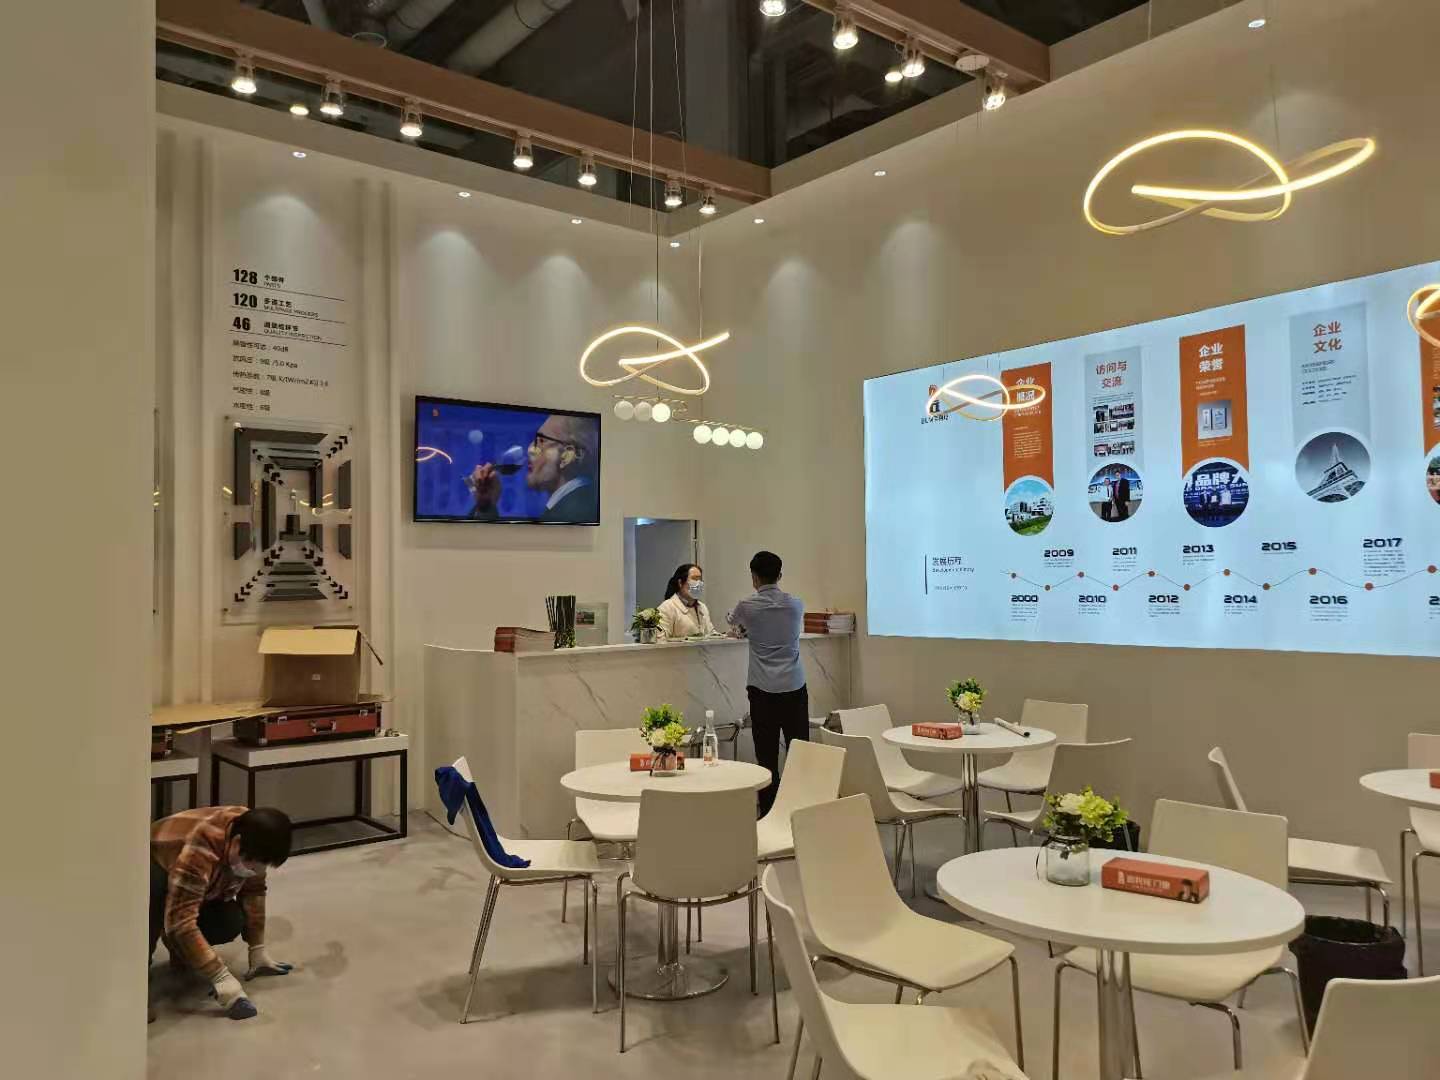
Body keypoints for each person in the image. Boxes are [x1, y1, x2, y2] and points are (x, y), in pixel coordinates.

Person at [149, 806, 294, 1021]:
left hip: (194, 872)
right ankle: (134, 984)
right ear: (236, 843)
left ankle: (180, 950)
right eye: (253, 866)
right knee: (150, 907)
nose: (256, 871)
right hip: (153, 859)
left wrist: (257, 948)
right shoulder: (200, 849)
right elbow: (181, 922)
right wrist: (220, 976)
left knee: (227, 921)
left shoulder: (255, 840)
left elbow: (254, 892)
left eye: (262, 867)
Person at [727, 550, 807, 817]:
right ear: (780, 575)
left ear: (754, 577)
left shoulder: (746, 606)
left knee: (766, 755)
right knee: (799, 751)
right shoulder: (796, 605)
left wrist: (746, 629)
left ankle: (770, 812)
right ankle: (800, 808)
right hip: (795, 686)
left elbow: (733, 622)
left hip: (763, 690)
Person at [468, 413, 600, 524]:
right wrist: (486, 505)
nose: (530, 449)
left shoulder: (572, 513)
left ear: (567, 455)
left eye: (542, 441)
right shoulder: (579, 505)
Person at [657, 563, 716, 641]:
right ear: (680, 583)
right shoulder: (666, 608)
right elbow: (660, 640)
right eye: (694, 579)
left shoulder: (702, 607)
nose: (698, 583)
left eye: (700, 580)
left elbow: (712, 634)